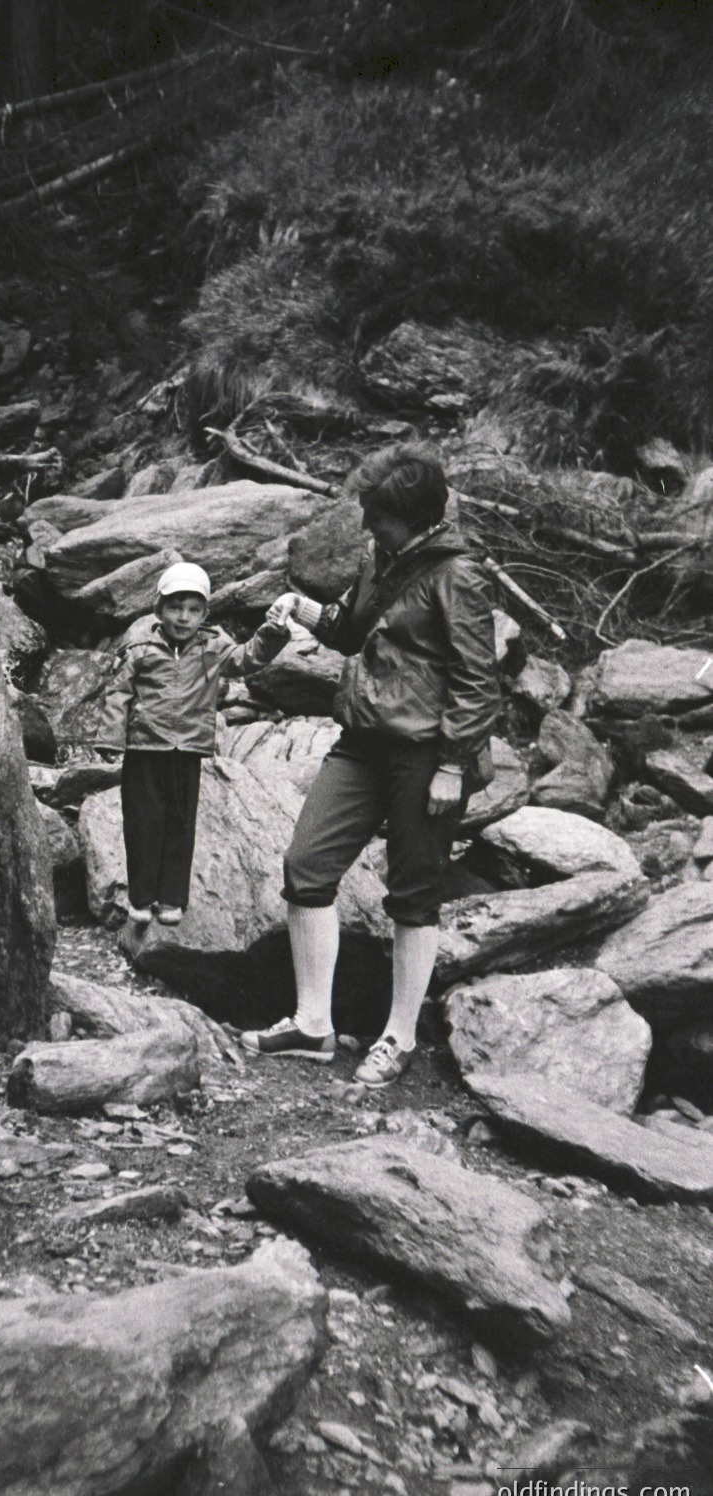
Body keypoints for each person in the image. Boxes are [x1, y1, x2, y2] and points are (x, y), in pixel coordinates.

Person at [240, 444, 501, 1083]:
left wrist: (452, 765)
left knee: (414, 895)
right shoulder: (383, 557)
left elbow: (478, 681)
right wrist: (303, 612)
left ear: (413, 517)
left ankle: (399, 1037)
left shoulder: (458, 575)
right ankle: (312, 1025)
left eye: (376, 515)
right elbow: (353, 631)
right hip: (361, 741)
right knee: (306, 866)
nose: (365, 526)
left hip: (426, 755)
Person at [95, 561, 292, 926]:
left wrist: (274, 631)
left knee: (180, 824)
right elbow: (118, 693)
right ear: (158, 609)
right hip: (144, 749)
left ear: (204, 613)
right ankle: (141, 897)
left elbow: (248, 659)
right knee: (142, 823)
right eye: (175, 608)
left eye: (193, 610)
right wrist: (111, 738)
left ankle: (171, 898)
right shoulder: (140, 648)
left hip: (188, 750)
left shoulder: (214, 647)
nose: (183, 618)